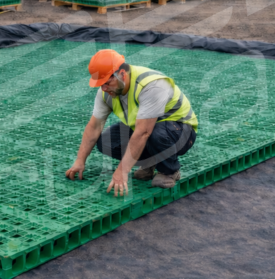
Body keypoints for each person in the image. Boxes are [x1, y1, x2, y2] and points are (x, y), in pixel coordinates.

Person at [65, 49, 198, 197]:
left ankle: (170, 170)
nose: (103, 88)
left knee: (153, 133)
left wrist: (122, 171)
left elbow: (143, 133)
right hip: (147, 129)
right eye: (100, 84)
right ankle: (150, 163)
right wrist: (79, 160)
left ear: (122, 74)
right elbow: (94, 126)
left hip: (180, 133)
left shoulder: (151, 85)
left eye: (107, 82)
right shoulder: (106, 92)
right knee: (106, 141)